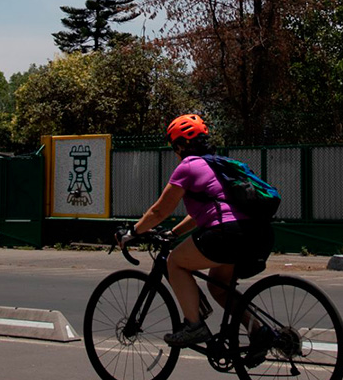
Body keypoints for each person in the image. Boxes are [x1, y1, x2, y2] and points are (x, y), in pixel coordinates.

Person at [116, 114, 274, 348]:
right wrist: (175, 233)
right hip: (254, 232)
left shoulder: (188, 166)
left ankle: (194, 326)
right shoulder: (217, 165)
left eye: (174, 147)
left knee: (175, 263)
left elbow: (160, 211)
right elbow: (203, 214)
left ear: (180, 145)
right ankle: (259, 332)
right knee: (218, 288)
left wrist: (133, 232)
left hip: (226, 234)